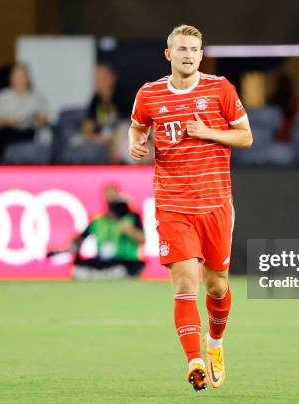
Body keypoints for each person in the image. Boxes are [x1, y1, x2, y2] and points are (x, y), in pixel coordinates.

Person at [128, 25, 253, 391]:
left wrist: (208, 132)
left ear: (201, 55)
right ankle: (194, 360)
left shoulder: (220, 89)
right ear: (169, 54)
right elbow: (137, 128)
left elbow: (245, 136)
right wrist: (135, 144)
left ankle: (214, 344)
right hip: (172, 205)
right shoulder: (149, 94)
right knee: (186, 283)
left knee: (216, 286)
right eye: (181, 48)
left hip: (215, 204)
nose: (188, 54)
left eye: (194, 49)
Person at [64, 184, 146, 280]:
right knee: (77, 270)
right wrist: (74, 242)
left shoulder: (131, 217)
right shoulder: (98, 220)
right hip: (103, 262)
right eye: (108, 197)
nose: (111, 200)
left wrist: (130, 231)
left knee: (120, 271)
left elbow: (142, 240)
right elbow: (80, 238)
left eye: (113, 197)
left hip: (125, 262)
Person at [0, 63, 50, 162]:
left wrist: (36, 120)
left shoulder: (36, 97)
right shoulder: (3, 95)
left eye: (23, 76)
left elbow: (46, 118)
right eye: (17, 76)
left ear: (28, 78)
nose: (20, 79)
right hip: (9, 131)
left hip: (29, 131)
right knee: (1, 136)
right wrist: (13, 121)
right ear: (11, 78)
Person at [81, 63, 132, 163]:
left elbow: (130, 123)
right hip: (101, 138)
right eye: (96, 78)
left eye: (102, 77)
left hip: (121, 137)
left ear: (112, 78)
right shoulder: (95, 99)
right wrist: (95, 138)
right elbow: (87, 126)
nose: (98, 81)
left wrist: (113, 138)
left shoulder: (123, 95)